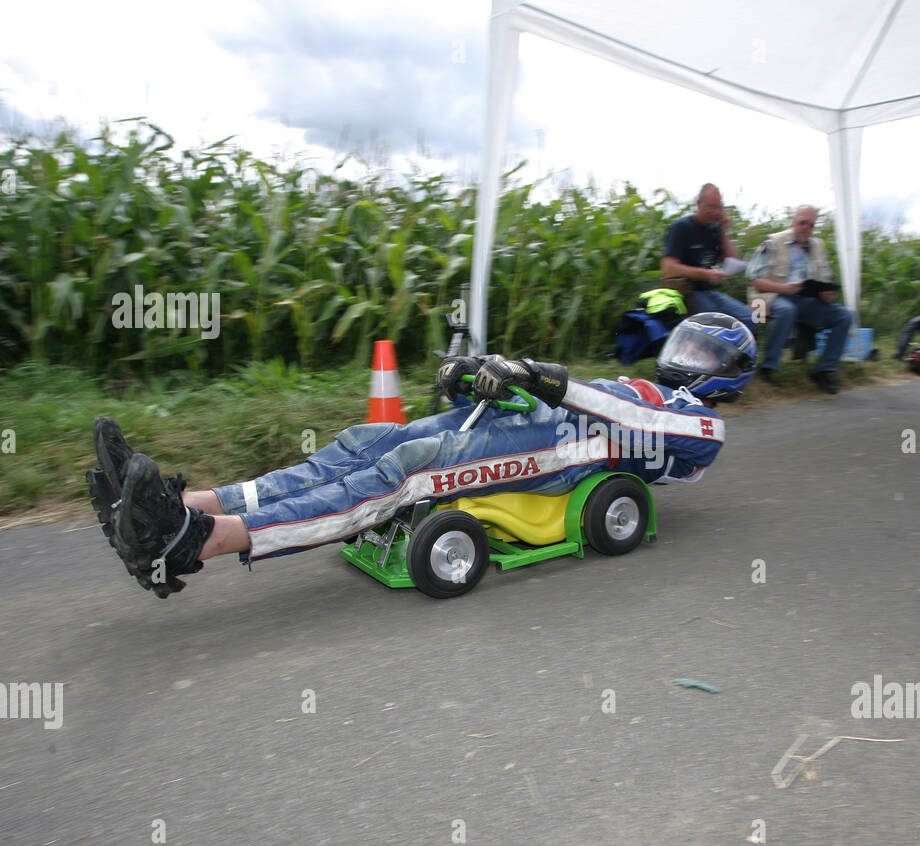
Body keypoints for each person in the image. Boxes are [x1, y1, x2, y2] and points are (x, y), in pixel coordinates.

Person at [87, 315, 756, 598]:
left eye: (704, 357)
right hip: (528, 420)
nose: (686, 362)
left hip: (564, 451)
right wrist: (478, 375)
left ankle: (194, 543)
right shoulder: (640, 379)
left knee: (402, 472)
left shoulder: (699, 424)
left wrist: (543, 378)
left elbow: (632, 420)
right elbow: (567, 391)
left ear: (730, 374)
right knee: (367, 442)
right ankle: (174, 507)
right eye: (687, 349)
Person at [745, 205, 854, 392]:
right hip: (766, 297)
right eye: (803, 222)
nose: (806, 228)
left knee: (844, 315)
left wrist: (826, 293)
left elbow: (824, 277)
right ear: (793, 222)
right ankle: (768, 367)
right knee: (788, 310)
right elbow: (753, 279)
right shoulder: (772, 242)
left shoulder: (817, 246)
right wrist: (783, 288)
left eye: (811, 225)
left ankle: (824, 370)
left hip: (804, 298)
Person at [661, 184, 756, 330]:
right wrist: (705, 275)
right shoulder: (681, 228)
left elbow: (733, 261)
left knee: (750, 319)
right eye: (711, 207)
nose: (716, 212)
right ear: (698, 204)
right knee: (717, 326)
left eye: (719, 208)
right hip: (687, 292)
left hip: (709, 292)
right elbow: (668, 268)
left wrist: (724, 231)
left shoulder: (715, 230)